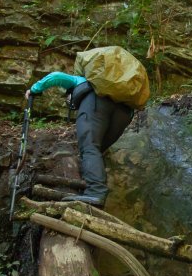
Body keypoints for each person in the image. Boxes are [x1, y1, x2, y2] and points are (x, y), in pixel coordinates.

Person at [25, 70, 133, 208]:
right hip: (124, 112)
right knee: (96, 149)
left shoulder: (81, 80)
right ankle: (94, 188)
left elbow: (56, 76)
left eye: (67, 98)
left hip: (96, 101)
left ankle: (95, 192)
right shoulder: (117, 90)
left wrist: (34, 89)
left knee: (89, 146)